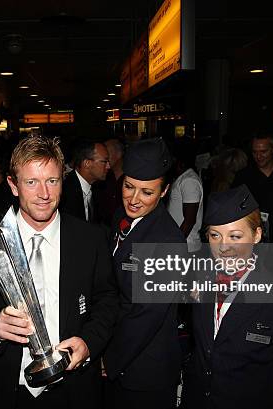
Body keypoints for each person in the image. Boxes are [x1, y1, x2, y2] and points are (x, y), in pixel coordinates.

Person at [0, 135, 119, 409]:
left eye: (52, 181)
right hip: (11, 388)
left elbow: (107, 299)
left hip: (75, 387)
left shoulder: (90, 238)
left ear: (63, 180)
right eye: (31, 182)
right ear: (13, 185)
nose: (44, 194)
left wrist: (88, 342)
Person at [181, 184, 273, 409]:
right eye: (214, 235)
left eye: (235, 236)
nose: (224, 247)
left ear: (257, 235)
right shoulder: (201, 282)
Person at [103, 138, 187, 409]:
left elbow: (146, 316)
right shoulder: (120, 216)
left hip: (146, 370)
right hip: (119, 351)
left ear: (164, 192)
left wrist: (109, 358)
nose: (134, 200)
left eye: (147, 192)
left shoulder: (168, 242)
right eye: (129, 187)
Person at [60, 140, 110, 223]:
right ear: (87, 163)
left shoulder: (98, 189)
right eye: (104, 162)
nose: (108, 166)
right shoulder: (65, 193)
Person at [167, 143, 204, 252]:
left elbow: (189, 220)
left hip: (187, 245)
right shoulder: (183, 178)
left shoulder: (189, 181)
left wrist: (177, 245)